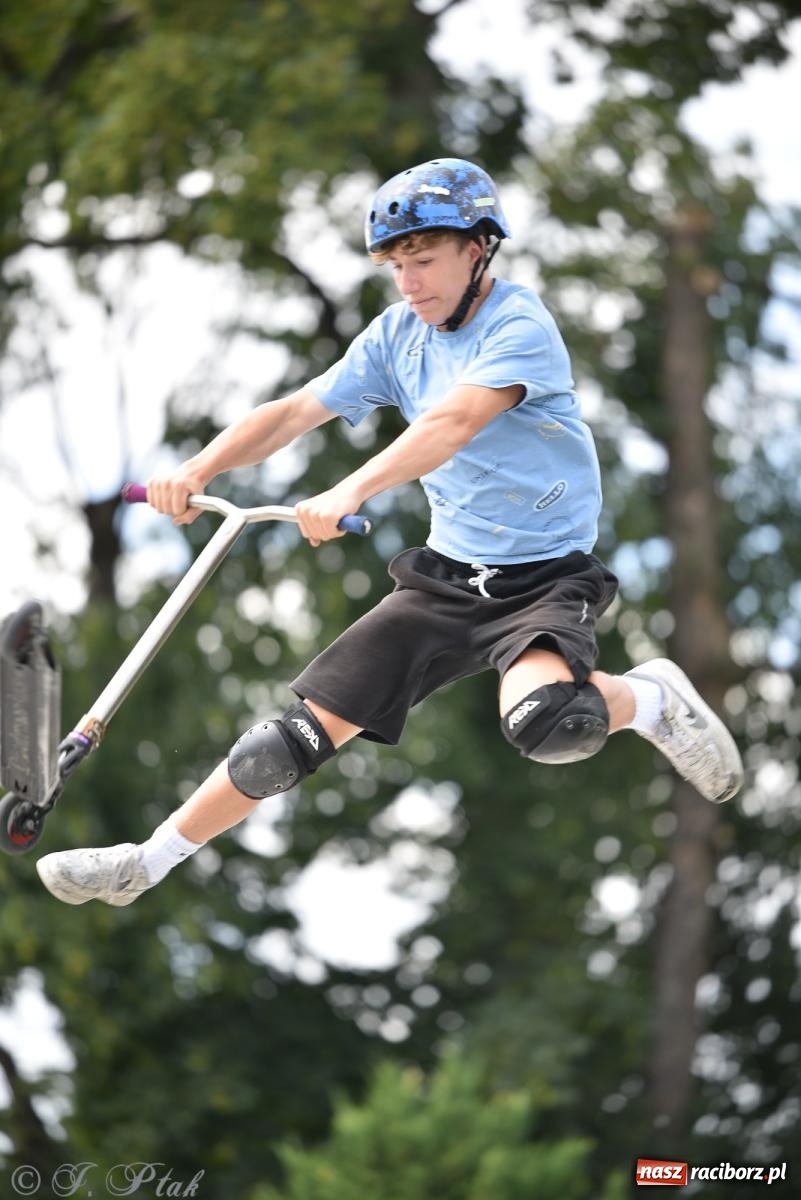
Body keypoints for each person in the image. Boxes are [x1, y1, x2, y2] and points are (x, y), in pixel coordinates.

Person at [36, 157, 743, 907]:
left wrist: (350, 487)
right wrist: (200, 468)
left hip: (541, 577)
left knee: (550, 723)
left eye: (425, 261)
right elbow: (292, 412)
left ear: (479, 247)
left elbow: (453, 423)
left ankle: (653, 700)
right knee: (284, 747)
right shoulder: (395, 337)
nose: (410, 284)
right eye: (397, 266)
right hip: (446, 581)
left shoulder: (517, 325)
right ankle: (144, 864)